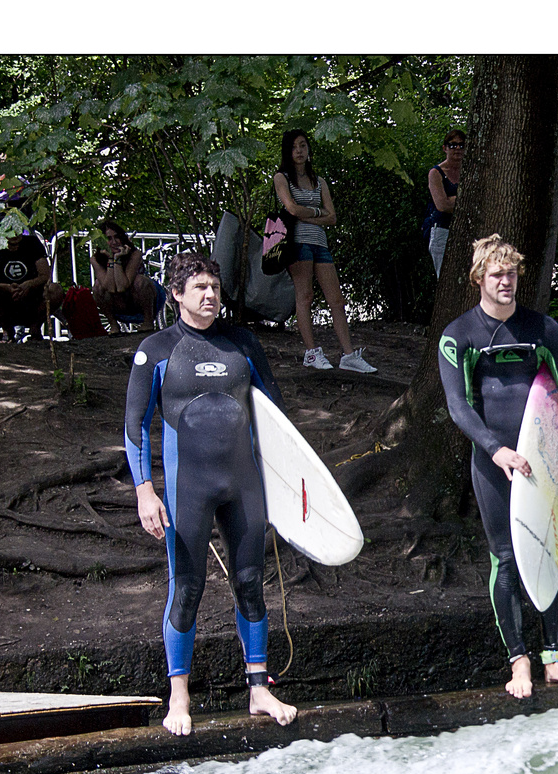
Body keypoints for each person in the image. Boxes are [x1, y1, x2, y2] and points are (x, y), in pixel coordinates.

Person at [123, 251, 298, 736]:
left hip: (244, 484)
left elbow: (276, 416)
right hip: (187, 490)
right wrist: (144, 491)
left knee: (249, 583)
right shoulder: (156, 350)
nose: (209, 296)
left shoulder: (242, 343)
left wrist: (287, 487)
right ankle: (178, 697)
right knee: (188, 587)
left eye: (215, 288)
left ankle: (259, 688)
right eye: (198, 287)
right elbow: (135, 425)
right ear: (176, 294)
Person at [438, 235, 558, 699]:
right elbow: (456, 405)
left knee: (552, 551)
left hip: (545, 460)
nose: (505, 281)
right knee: (505, 557)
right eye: (496, 275)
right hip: (494, 463)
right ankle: (519, 661)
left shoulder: (542, 328)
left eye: (510, 274)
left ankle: (554, 658)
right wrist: (494, 449)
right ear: (478, 280)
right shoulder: (459, 335)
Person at [272, 129, 375, 373]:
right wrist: (317, 213)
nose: (299, 151)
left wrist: (310, 214)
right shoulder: (281, 177)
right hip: (296, 243)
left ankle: (348, 355)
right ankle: (311, 352)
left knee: (336, 300)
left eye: (303, 145)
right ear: (288, 151)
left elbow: (333, 218)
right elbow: (292, 209)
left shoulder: (320, 182)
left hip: (320, 244)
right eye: (294, 147)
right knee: (305, 297)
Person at [90, 220, 163, 333]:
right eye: (109, 239)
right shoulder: (95, 259)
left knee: (140, 281)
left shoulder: (135, 254)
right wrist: (111, 259)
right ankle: (113, 325)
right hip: (116, 299)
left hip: (136, 297)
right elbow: (108, 286)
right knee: (97, 286)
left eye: (117, 237)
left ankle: (148, 322)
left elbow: (123, 285)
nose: (114, 242)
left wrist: (117, 259)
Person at [0, 230, 65, 342]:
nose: (14, 234)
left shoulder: (32, 243)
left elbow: (45, 275)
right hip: (4, 299)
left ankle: (35, 329)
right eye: (9, 229)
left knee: (55, 290)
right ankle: (7, 331)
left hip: (32, 298)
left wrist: (28, 285)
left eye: (16, 229)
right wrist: (6, 287)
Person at [423, 128, 465, 277]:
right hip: (441, 231)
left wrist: (453, 200)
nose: (458, 149)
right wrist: (465, 200)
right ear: (445, 148)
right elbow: (442, 205)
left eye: (461, 145)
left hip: (466, 230)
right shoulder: (436, 173)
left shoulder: (470, 172)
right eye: (453, 145)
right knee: (447, 278)